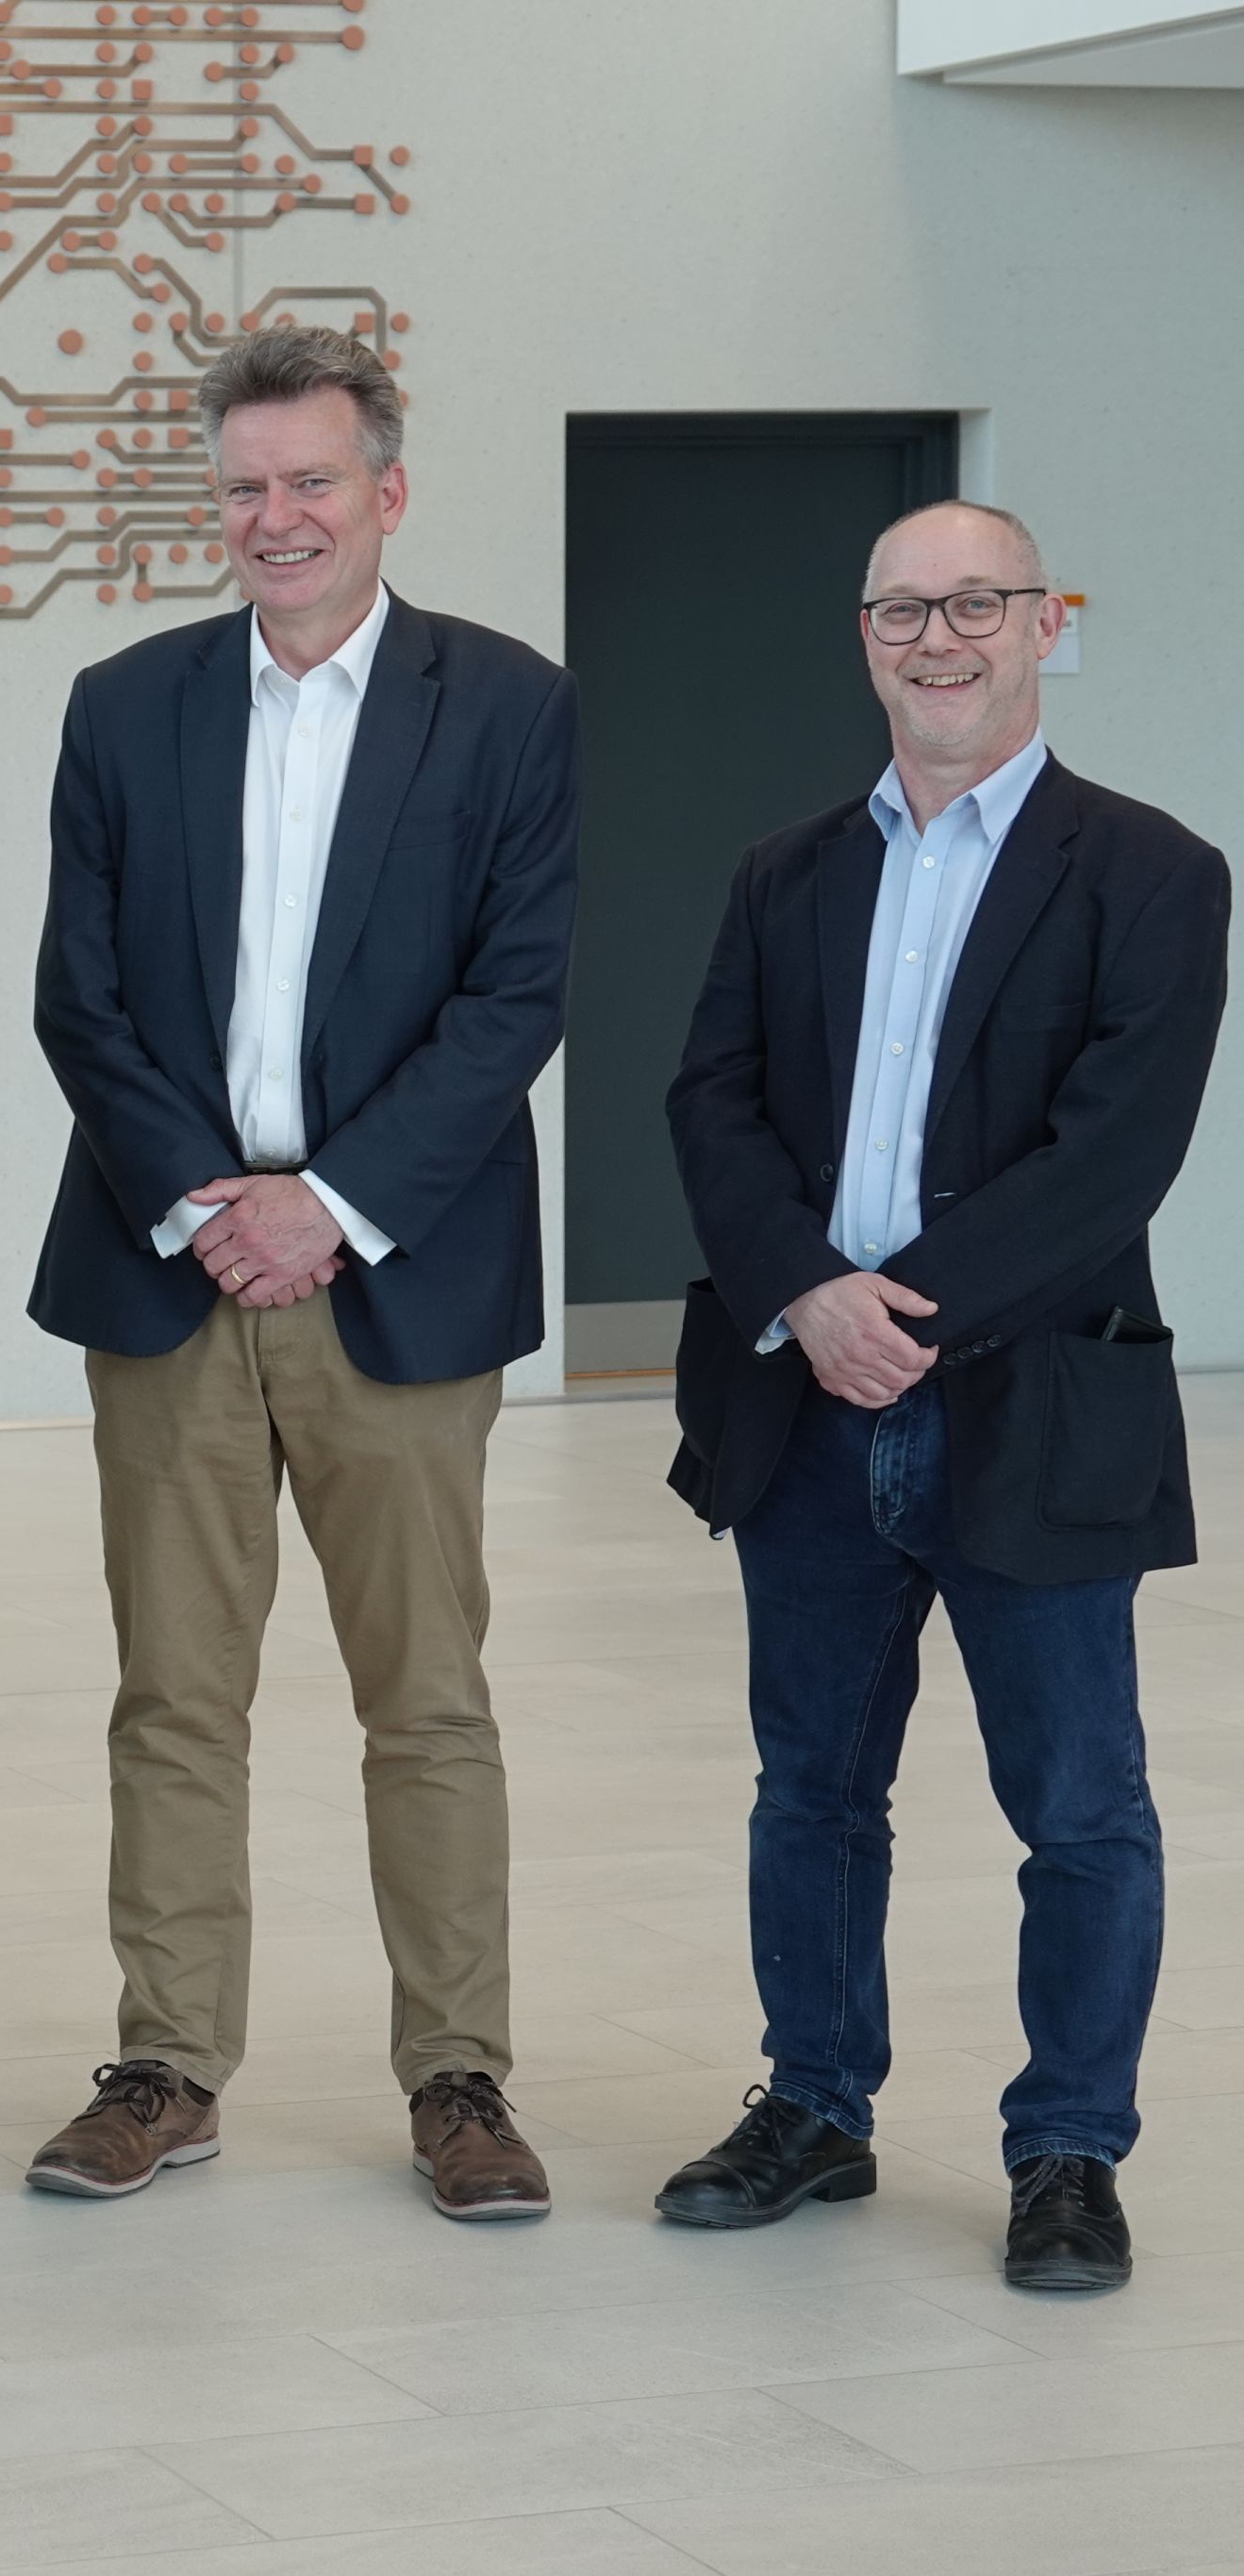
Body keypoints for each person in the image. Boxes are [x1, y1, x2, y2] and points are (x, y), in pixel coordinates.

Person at [24, 327, 581, 2219]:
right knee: (170, 1695)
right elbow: (73, 997)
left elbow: (514, 998)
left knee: (423, 1697)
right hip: (171, 1267)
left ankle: (457, 2081)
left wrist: (326, 1202)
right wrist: (207, 1196)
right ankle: (164, 2063)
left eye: (309, 482)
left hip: (389, 1279)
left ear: (385, 494)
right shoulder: (123, 706)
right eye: (243, 487)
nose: (273, 518)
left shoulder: (503, 708)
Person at [657, 502, 1225, 2294]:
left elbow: (1113, 1158)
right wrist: (809, 1302)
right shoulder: (784, 869)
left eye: (976, 602)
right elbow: (711, 1104)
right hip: (809, 1410)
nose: (940, 637)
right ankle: (815, 2105)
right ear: (866, 637)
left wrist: (896, 1311)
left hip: (1036, 1402)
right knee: (812, 1786)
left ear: (1045, 621)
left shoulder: (1154, 872)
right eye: (905, 609)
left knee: (1079, 1806)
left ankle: (1069, 2149)